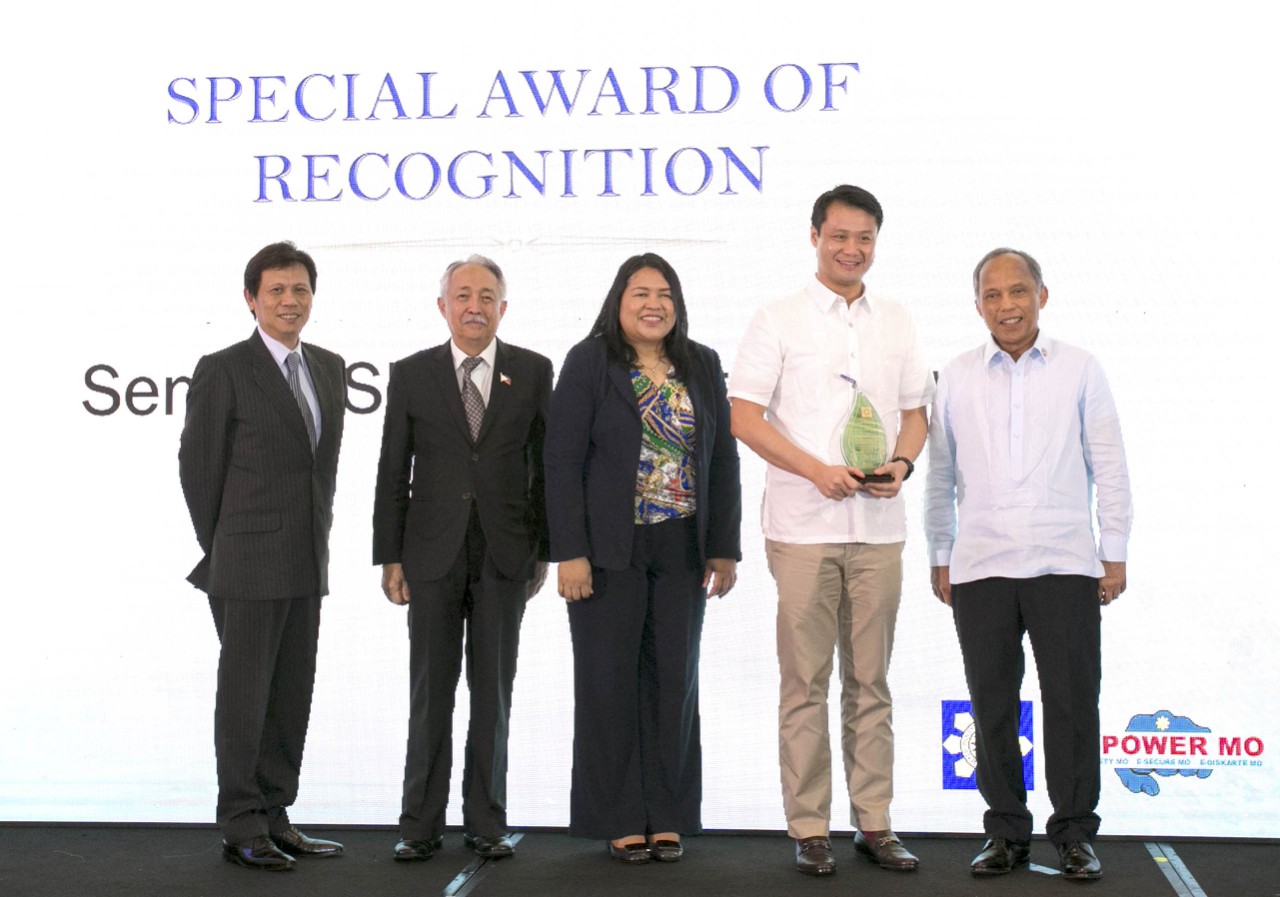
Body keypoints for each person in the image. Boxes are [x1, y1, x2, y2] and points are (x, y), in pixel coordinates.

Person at [729, 185, 933, 875]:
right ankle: (809, 827)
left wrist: (903, 462)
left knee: (871, 682)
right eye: (840, 235)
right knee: (805, 681)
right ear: (814, 235)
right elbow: (745, 416)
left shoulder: (898, 319)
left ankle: (874, 822)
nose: (852, 248)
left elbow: (915, 411)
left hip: (879, 528)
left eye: (865, 238)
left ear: (877, 241)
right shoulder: (777, 318)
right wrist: (816, 470)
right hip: (803, 528)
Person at [924, 248, 1131, 882]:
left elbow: (1110, 463)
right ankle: (1006, 832)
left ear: (1043, 295)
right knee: (990, 702)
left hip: (1064, 560)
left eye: (1018, 291)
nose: (1006, 305)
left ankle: (1073, 832)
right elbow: (940, 474)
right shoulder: (956, 375)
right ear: (978, 304)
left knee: (1072, 700)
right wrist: (941, 552)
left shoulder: (1080, 369)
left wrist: (1113, 551)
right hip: (981, 563)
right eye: (992, 295)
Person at [544, 253, 741, 864]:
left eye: (665, 294)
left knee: (673, 683)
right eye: (640, 294)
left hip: (682, 547)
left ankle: (670, 815)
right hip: (608, 551)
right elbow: (560, 460)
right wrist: (569, 553)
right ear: (618, 302)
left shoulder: (701, 363)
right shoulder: (590, 361)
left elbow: (721, 459)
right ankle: (620, 816)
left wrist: (724, 547)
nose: (653, 304)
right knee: (609, 684)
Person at [373, 254, 553, 862]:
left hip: (506, 552)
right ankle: (419, 823)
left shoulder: (532, 371)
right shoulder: (412, 373)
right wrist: (388, 554)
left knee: (493, 692)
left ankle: (486, 821)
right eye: (463, 295)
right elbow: (393, 469)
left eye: (487, 296)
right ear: (443, 306)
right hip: (430, 553)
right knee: (431, 692)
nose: (474, 306)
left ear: (504, 307)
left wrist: (545, 551)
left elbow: (544, 468)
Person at [179, 241, 347, 871]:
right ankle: (241, 822)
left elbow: (321, 470)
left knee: (290, 694)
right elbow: (198, 471)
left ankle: (277, 814)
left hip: (307, 560)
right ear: (251, 299)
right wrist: (226, 547)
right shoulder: (224, 368)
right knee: (245, 696)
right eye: (276, 290)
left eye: (299, 289)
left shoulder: (328, 367)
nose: (289, 300)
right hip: (246, 563)